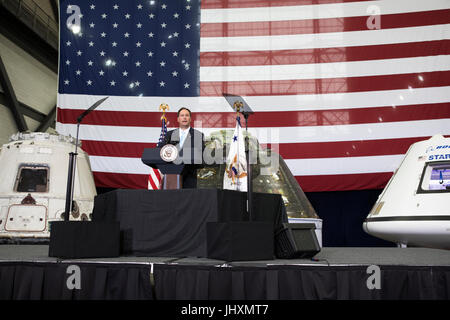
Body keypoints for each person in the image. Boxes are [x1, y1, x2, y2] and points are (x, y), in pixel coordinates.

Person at [162, 107, 205, 188]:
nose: (184, 117)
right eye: (182, 115)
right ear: (178, 119)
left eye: (187, 115)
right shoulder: (169, 135)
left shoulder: (198, 135)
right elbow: (160, 150)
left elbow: (201, 155)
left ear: (190, 119)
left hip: (189, 177)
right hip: (171, 176)